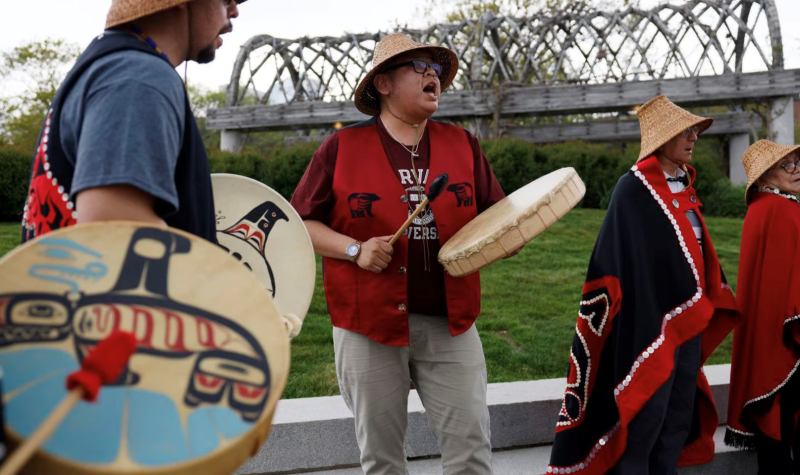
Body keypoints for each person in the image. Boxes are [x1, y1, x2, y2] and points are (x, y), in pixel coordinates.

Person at [291, 33, 508, 474]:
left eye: (435, 68)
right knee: (383, 459)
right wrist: (353, 249)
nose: (432, 74)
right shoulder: (340, 148)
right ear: (384, 85)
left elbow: (499, 216)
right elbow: (300, 224)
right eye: (419, 67)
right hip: (367, 325)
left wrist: (509, 238)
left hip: (452, 322)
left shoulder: (462, 144)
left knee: (471, 448)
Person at [547, 95, 739, 475]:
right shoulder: (633, 189)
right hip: (649, 324)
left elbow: (693, 252)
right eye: (685, 131)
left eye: (694, 132)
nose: (693, 138)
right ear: (662, 138)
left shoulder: (682, 186)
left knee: (677, 414)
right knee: (645, 416)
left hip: (686, 319)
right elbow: (617, 262)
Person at [21, 0, 244, 244]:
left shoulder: (115, 64)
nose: (234, 11)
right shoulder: (139, 77)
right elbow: (113, 224)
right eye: (226, 0)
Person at [726, 140, 800, 475]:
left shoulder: (760, 208)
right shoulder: (783, 211)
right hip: (787, 343)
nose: (796, 169)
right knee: (785, 422)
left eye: (797, 162)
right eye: (787, 165)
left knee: (777, 425)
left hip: (768, 338)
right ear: (764, 178)